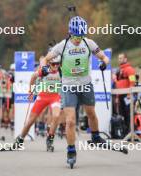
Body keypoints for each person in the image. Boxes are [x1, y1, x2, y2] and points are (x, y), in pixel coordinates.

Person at [39, 16, 109, 166]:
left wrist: (104, 63)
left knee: (91, 113)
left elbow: (104, 57)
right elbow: (45, 59)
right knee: (70, 121)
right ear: (70, 33)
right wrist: (44, 67)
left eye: (81, 35)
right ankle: (71, 149)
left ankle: (95, 137)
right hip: (68, 86)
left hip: (85, 84)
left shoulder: (89, 43)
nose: (78, 39)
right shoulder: (62, 45)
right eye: (76, 36)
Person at [9, 56, 62, 152]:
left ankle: (50, 139)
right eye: (53, 64)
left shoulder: (61, 71)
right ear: (49, 63)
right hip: (43, 96)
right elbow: (33, 76)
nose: (55, 66)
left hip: (55, 97)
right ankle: (20, 139)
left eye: (57, 64)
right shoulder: (45, 70)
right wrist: (31, 90)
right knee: (30, 121)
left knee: (56, 116)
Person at [115, 53, 136, 134]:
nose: (119, 60)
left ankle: (130, 132)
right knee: (122, 115)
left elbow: (132, 81)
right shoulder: (119, 70)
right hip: (120, 95)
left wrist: (129, 94)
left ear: (125, 59)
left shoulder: (129, 69)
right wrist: (117, 97)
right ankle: (125, 132)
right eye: (119, 58)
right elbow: (118, 84)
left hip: (127, 95)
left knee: (129, 115)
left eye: (121, 58)